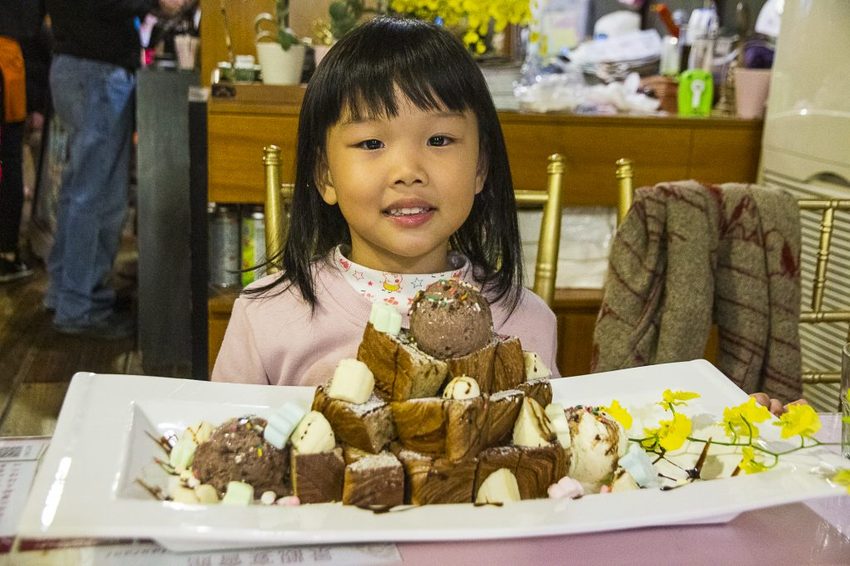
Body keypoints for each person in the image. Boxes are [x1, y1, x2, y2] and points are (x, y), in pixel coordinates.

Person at [212, 17, 559, 386]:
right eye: (372, 143)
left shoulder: (527, 321)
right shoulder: (267, 316)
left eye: (439, 140)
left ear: (480, 167)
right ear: (326, 174)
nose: (408, 171)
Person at [44, 0, 186, 338]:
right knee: (97, 196)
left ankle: (64, 293)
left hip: (72, 64)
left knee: (78, 190)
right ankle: (82, 307)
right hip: (97, 70)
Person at [0, 1, 44, 283]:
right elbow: (34, 35)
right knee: (8, 162)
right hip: (8, 71)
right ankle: (6, 253)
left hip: (11, 67)